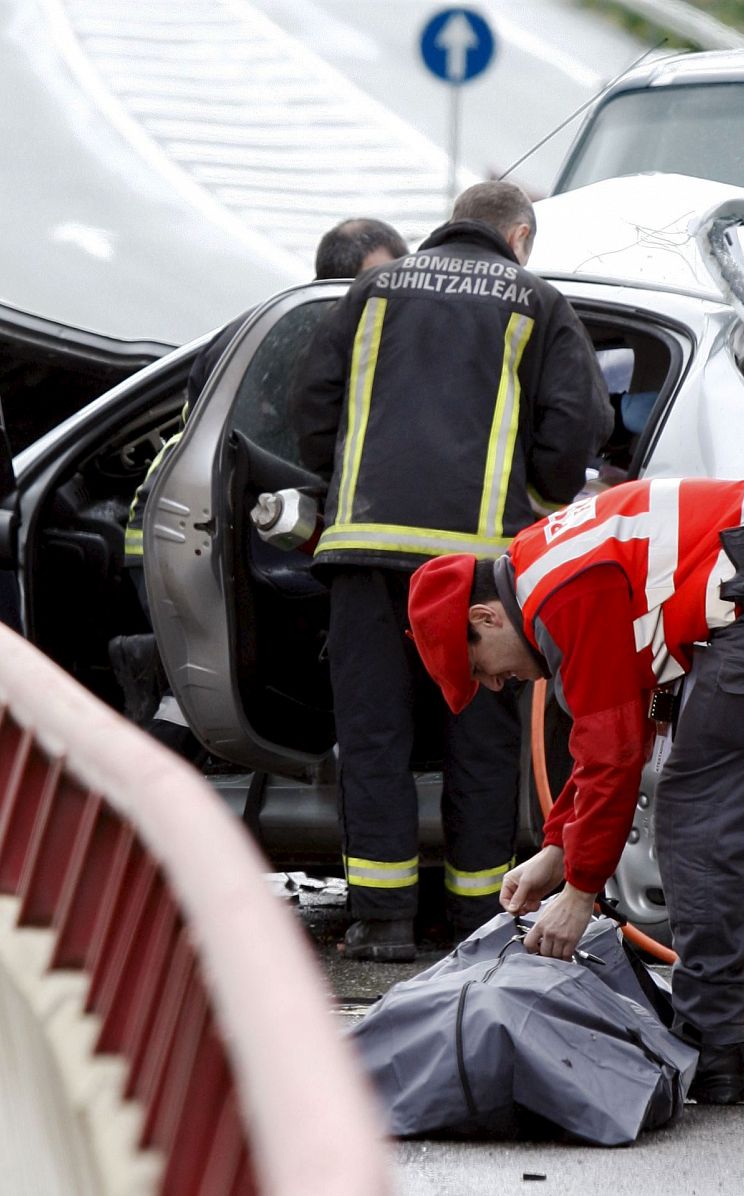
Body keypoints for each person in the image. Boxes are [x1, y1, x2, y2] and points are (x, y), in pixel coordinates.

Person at [405, 477, 744, 1103]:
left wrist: (579, 894)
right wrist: (558, 850)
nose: (497, 685)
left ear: (484, 617)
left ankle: (711, 1045)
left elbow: (614, 753)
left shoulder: (561, 595)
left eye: (481, 668)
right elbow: (614, 733)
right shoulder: (548, 570)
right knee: (723, 813)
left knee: (696, 810)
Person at [291, 181, 610, 961]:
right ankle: (476, 913)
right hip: (478, 566)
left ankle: (382, 921)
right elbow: (578, 426)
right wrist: (529, 506)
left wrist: (344, 493)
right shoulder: (536, 300)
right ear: (520, 236)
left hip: (365, 553)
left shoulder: (372, 287)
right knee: (481, 734)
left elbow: (310, 406)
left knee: (373, 735)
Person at [110, 218, 409, 730]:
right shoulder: (301, 335)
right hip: (193, 527)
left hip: (242, 519)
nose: (393, 294)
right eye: (381, 279)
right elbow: (265, 443)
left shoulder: (330, 328)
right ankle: (160, 687)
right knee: (205, 685)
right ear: (339, 282)